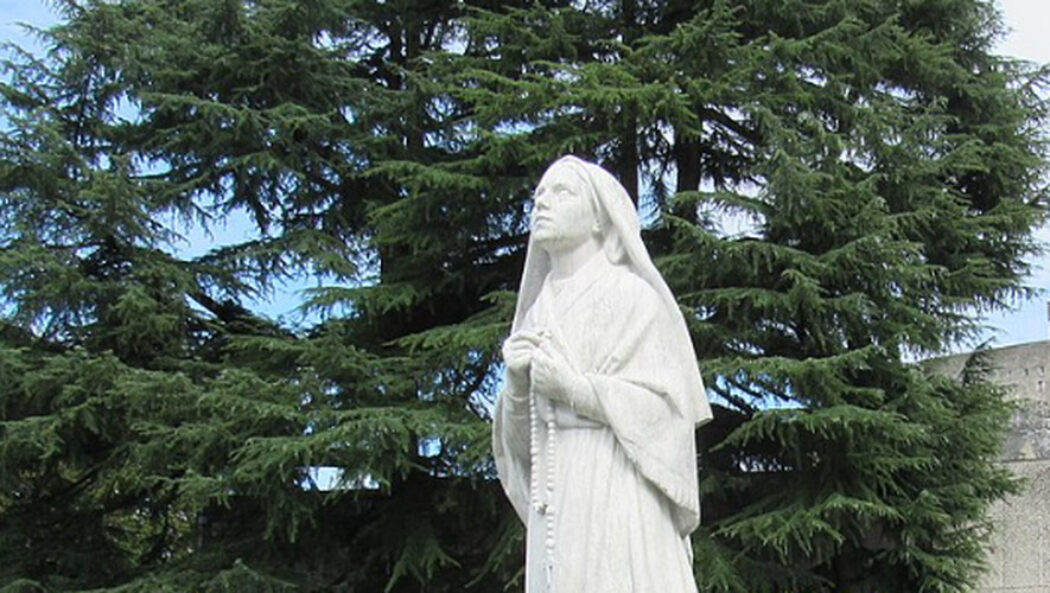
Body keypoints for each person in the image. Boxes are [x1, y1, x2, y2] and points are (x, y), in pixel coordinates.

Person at [493, 155, 713, 593]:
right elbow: (521, 452)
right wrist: (517, 387)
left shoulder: (635, 299)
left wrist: (575, 389)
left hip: (617, 484)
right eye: (538, 195)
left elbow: (666, 416)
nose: (542, 203)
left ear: (599, 218)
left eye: (561, 193)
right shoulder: (536, 316)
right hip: (558, 498)